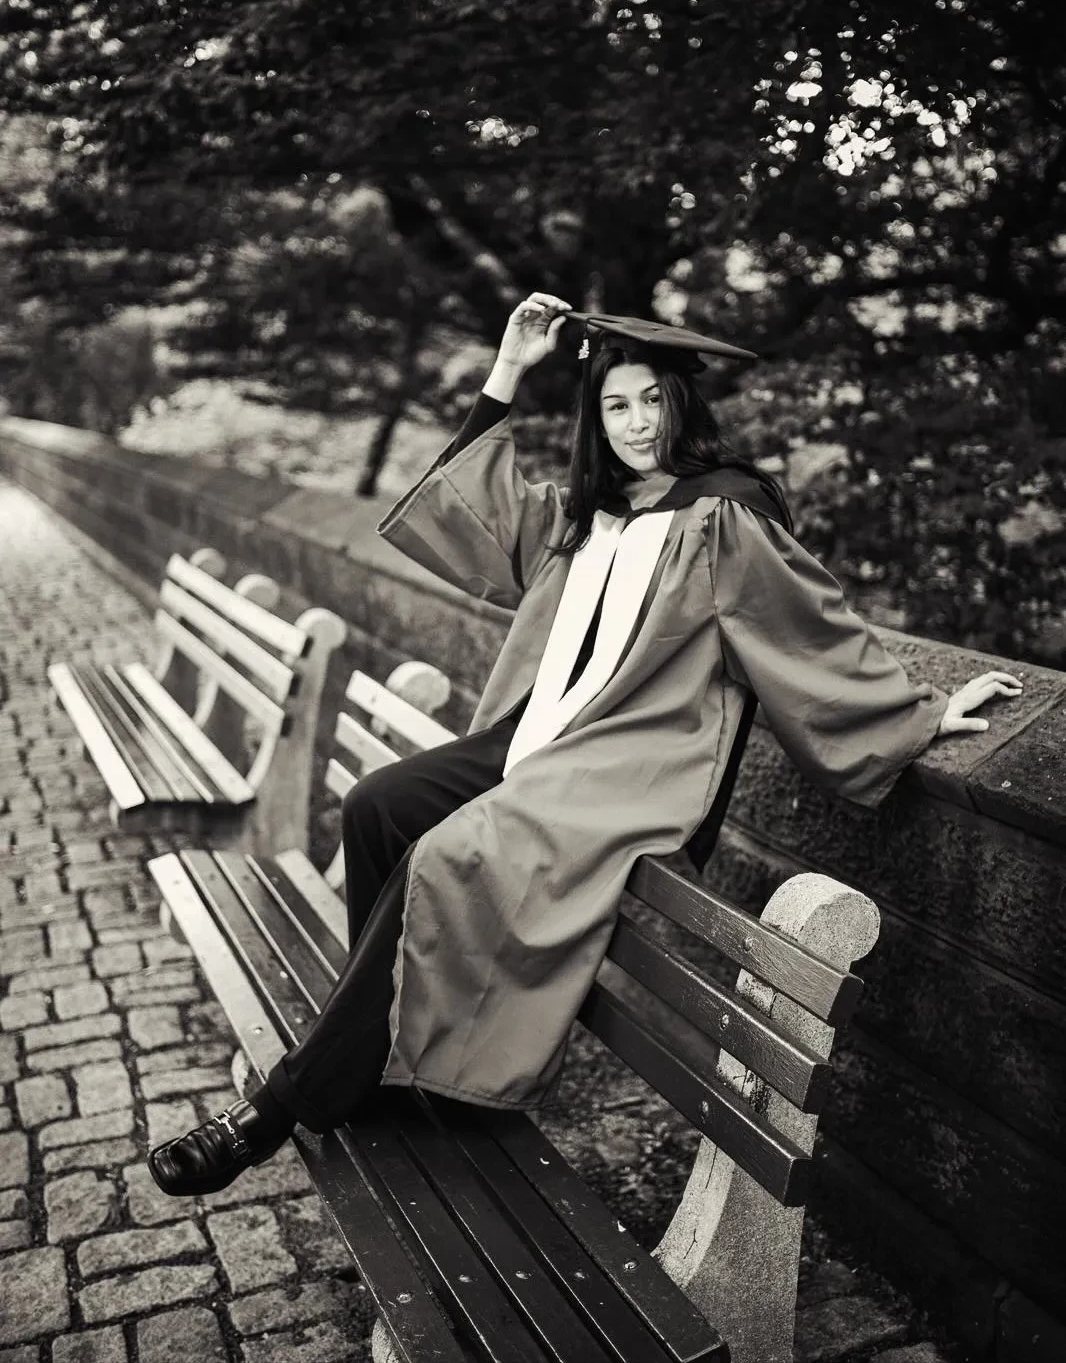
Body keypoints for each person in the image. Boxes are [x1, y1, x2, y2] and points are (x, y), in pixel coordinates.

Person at [147, 292, 1023, 1195]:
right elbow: (477, 517)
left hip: (632, 762)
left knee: (445, 854)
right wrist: (508, 368)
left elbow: (807, 628)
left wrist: (919, 713)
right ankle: (377, 1046)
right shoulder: (591, 512)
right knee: (379, 806)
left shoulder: (724, 513)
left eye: (652, 400)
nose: (637, 423)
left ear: (682, 404)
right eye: (616, 406)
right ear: (595, 419)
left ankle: (281, 1104)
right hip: (541, 736)